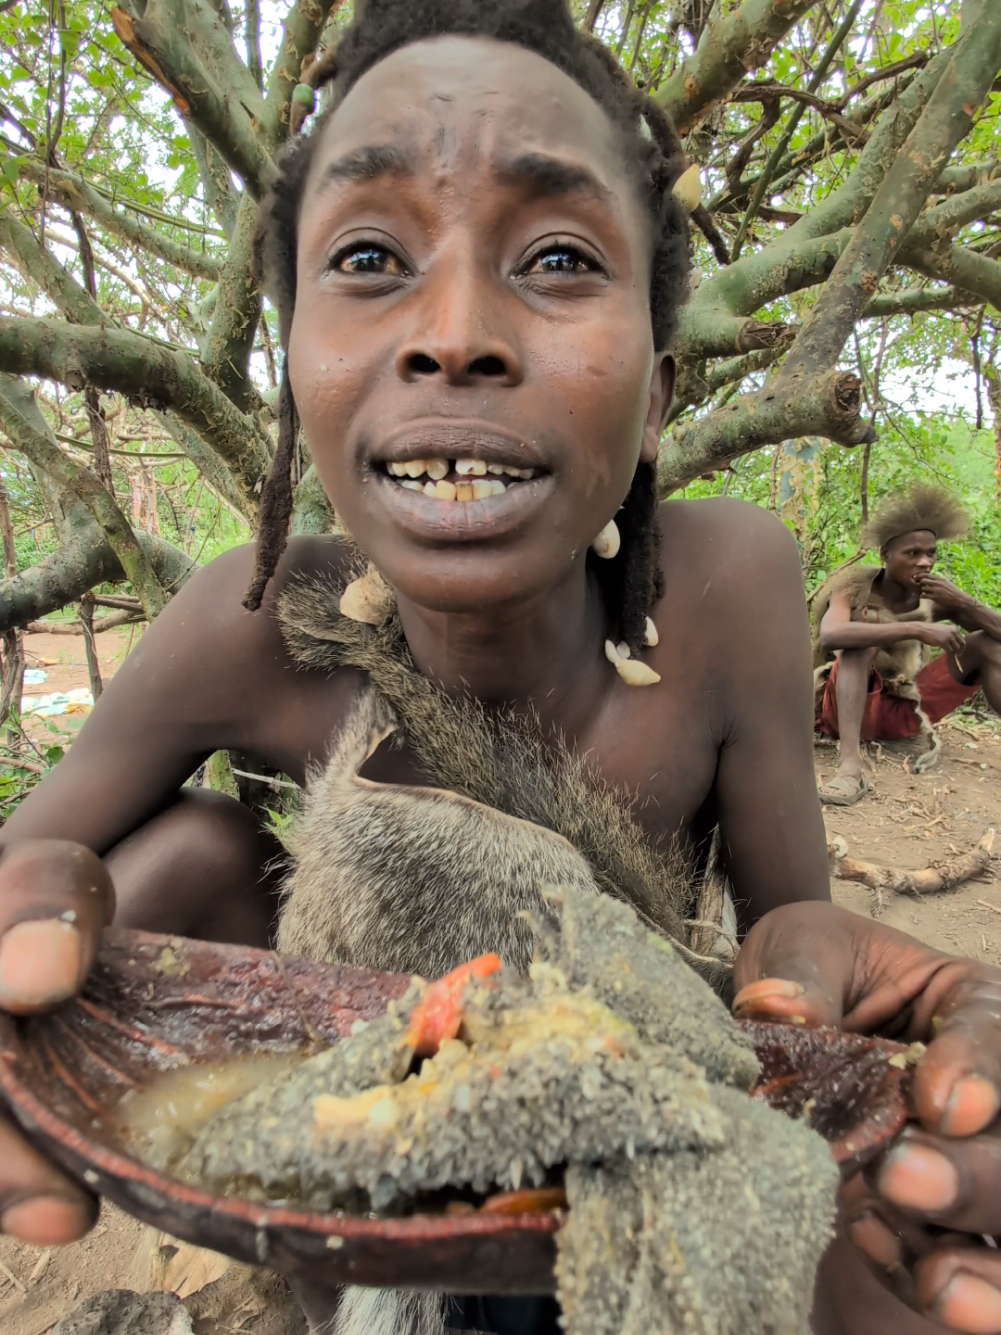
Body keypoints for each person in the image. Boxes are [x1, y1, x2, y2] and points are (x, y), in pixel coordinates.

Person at [2, 3, 1001, 1332]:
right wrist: (35, 950)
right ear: (297, 368)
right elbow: (31, 889)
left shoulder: (726, 589)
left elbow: (788, 976)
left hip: (624, 1130)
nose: (457, 330)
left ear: (652, 393)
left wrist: (845, 1025)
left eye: (557, 255)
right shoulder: (251, 622)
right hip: (348, 1161)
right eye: (368, 255)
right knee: (177, 853)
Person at [814, 485, 1001, 805]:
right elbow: (831, 635)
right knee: (860, 637)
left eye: (931, 554)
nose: (925, 562)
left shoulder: (936, 597)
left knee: (987, 643)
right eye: (912, 553)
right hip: (846, 711)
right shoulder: (853, 587)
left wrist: (964, 602)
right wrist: (915, 629)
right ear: (886, 555)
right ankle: (849, 770)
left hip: (906, 712)